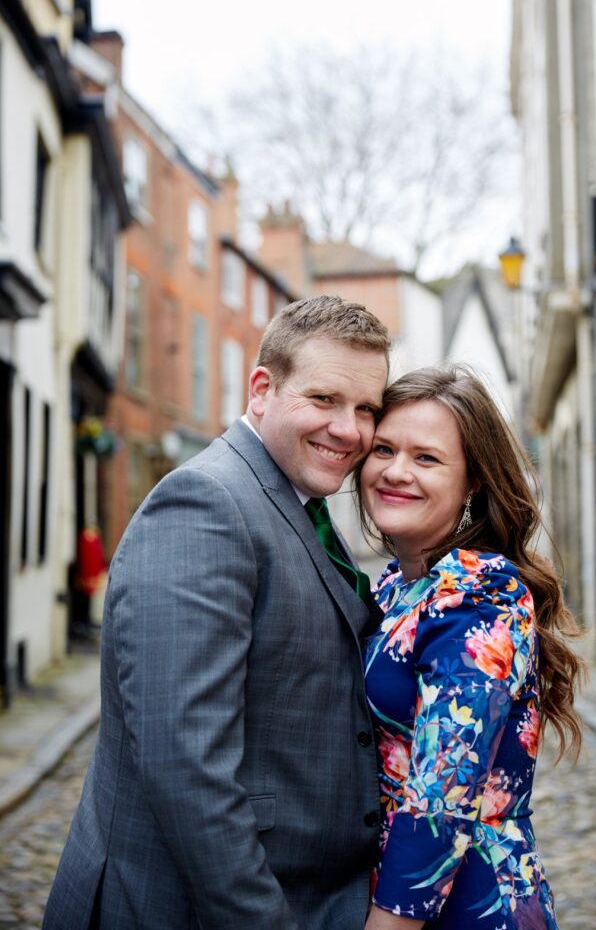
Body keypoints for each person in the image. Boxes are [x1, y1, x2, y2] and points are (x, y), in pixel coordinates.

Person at [43, 295, 391, 930]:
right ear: (262, 389)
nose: (352, 430)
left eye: (367, 409)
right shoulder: (205, 505)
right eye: (324, 400)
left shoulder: (298, 500)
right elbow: (186, 766)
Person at [356, 365, 584, 930]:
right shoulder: (398, 585)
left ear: (473, 482)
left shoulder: (479, 592)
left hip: (465, 904)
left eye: (426, 458)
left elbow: (444, 791)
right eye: (383, 449)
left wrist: (388, 925)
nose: (396, 471)